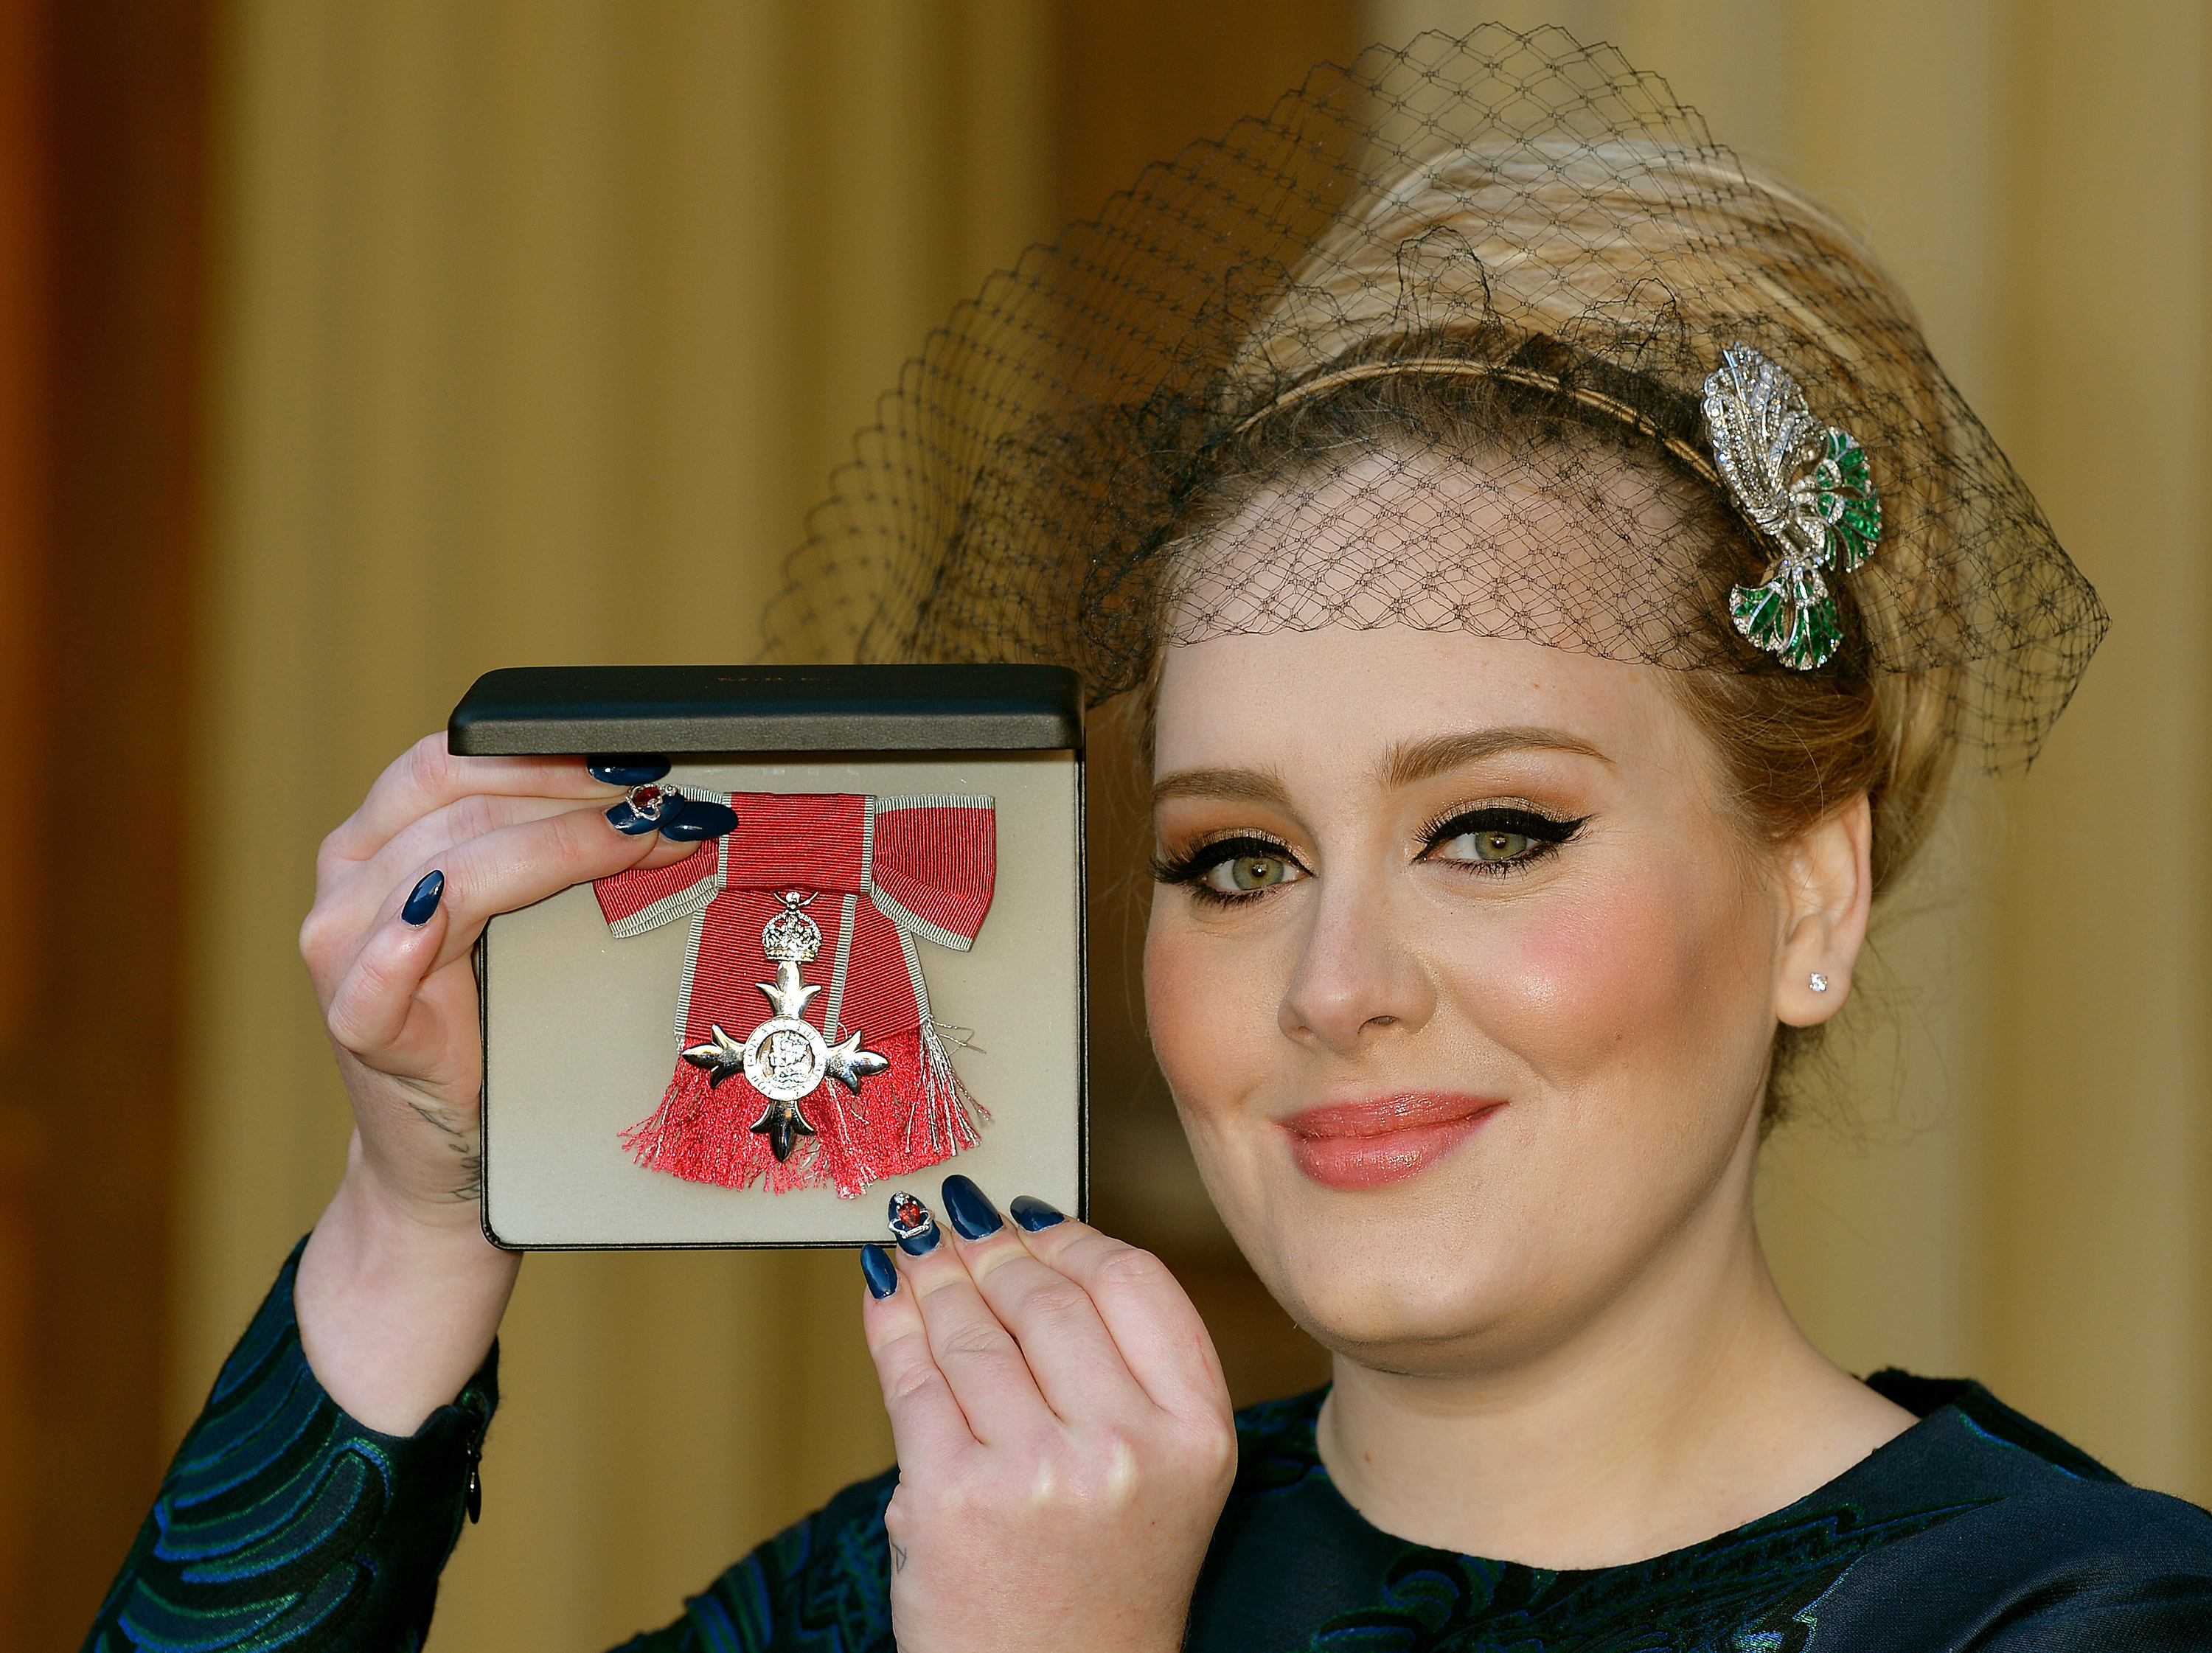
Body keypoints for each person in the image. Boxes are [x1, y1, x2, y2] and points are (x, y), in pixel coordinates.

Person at [88, 27, 2212, 1652]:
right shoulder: (939, 1556)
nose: (1333, 982)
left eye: (1491, 827)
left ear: (1811, 893)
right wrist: (415, 1222)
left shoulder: (2085, 1615)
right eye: (1234, 859)